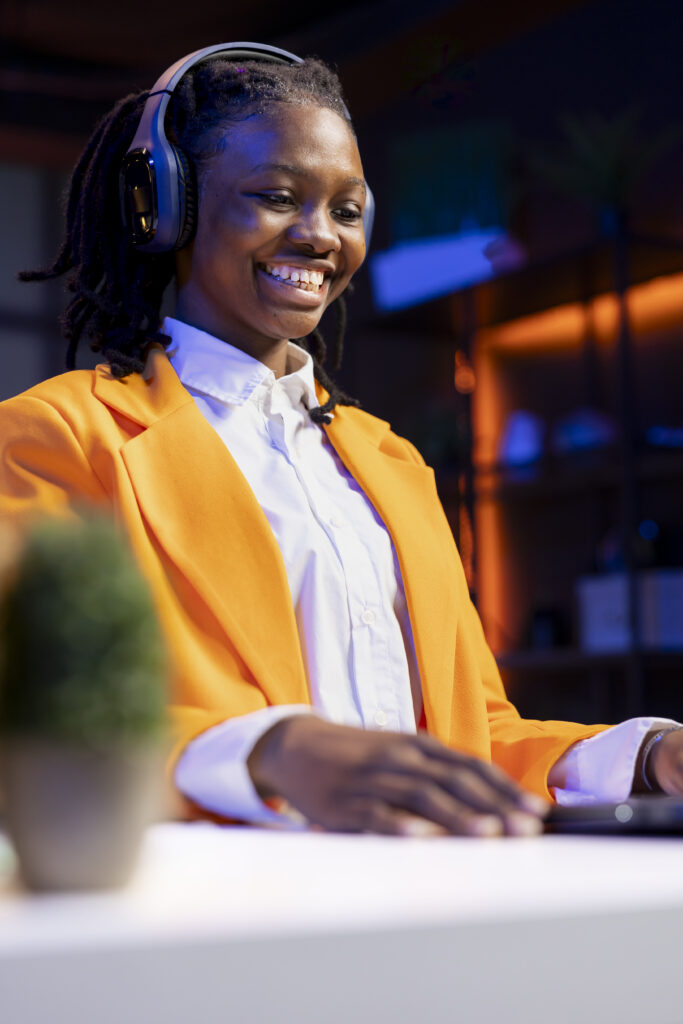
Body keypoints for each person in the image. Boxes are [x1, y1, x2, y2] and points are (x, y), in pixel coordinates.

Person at [1, 43, 682, 837]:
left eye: (346, 209)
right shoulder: (56, 437)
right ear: (168, 206)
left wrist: (644, 755)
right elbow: (31, 722)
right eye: (275, 196)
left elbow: (473, 739)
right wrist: (266, 753)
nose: (320, 236)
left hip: (430, 907)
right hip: (211, 924)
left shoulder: (392, 463)